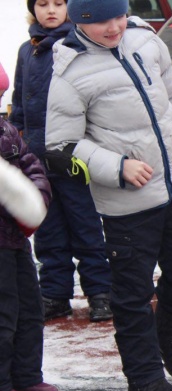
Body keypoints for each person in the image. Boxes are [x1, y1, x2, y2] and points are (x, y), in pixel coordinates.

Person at [44, 0, 172, 391]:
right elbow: (61, 145)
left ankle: (167, 336)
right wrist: (116, 167)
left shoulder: (145, 39)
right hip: (128, 205)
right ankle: (144, 377)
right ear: (79, 20)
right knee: (132, 294)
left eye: (118, 15)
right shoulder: (70, 72)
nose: (113, 27)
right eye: (100, 21)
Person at [10, 0, 112, 323]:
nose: (50, 10)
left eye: (58, 3)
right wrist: (17, 142)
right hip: (37, 157)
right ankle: (55, 294)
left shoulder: (78, 44)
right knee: (49, 230)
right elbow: (20, 103)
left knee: (86, 227)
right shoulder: (28, 50)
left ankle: (100, 293)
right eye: (43, 3)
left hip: (73, 156)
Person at [0, 61, 60, 391]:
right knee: (3, 311)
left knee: (29, 307)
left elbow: (30, 165)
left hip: (16, 238)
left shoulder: (7, 130)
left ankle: (26, 373)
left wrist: (37, 194)